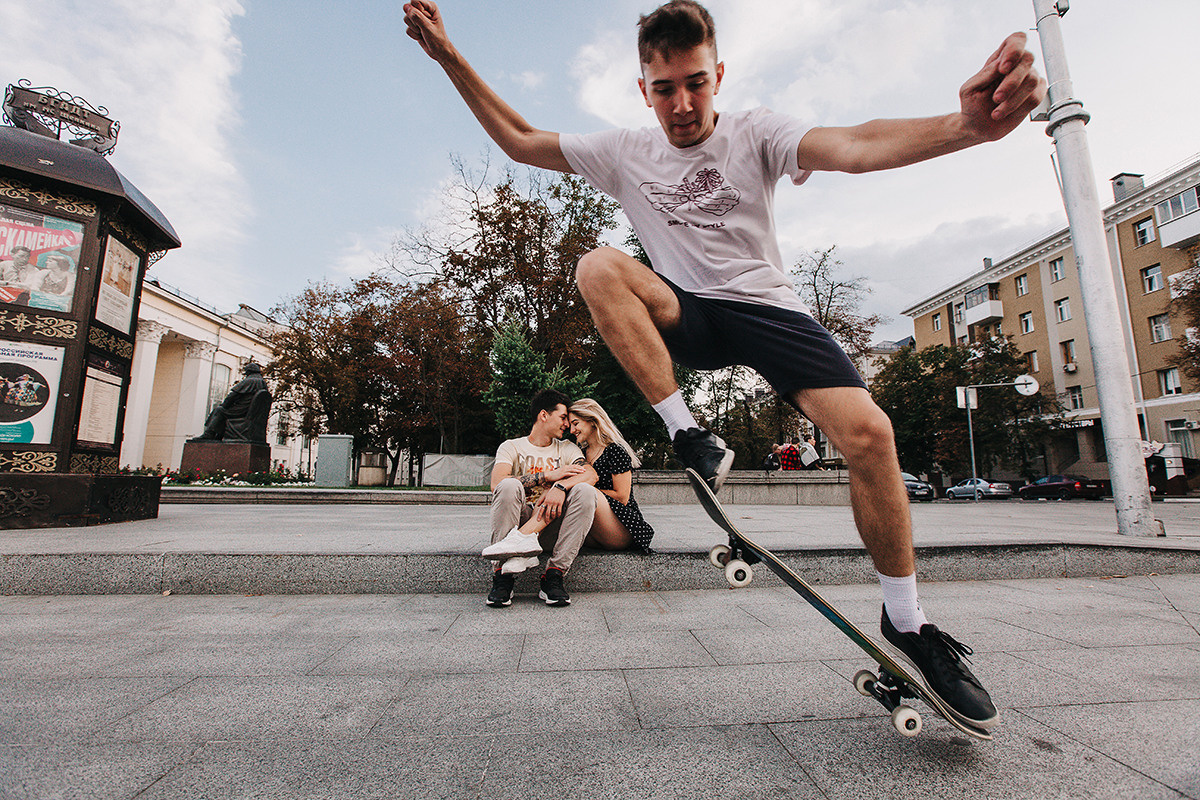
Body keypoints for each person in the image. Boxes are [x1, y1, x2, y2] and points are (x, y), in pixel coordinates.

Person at [405, 0, 1045, 731]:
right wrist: (448, 56)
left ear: (719, 76)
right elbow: (521, 140)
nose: (682, 105)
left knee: (872, 436)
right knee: (599, 266)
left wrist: (966, 127)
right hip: (688, 313)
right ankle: (688, 433)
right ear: (643, 90)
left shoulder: (758, 132)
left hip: (767, 311)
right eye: (665, 89)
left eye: (696, 84)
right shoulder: (624, 151)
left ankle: (907, 621)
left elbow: (856, 143)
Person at [482, 389, 599, 608]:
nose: (567, 425)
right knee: (508, 485)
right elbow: (496, 484)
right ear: (544, 415)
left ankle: (554, 575)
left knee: (586, 491)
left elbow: (591, 475)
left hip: (554, 525)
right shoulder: (511, 447)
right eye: (563, 417)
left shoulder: (567, 448)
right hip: (519, 522)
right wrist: (547, 475)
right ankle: (502, 577)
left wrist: (559, 486)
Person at [568, 398, 655, 553]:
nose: (572, 430)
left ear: (592, 420)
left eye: (575, 423)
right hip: (594, 528)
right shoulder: (580, 454)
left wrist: (582, 492)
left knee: (582, 491)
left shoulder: (615, 451)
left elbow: (622, 497)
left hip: (621, 526)